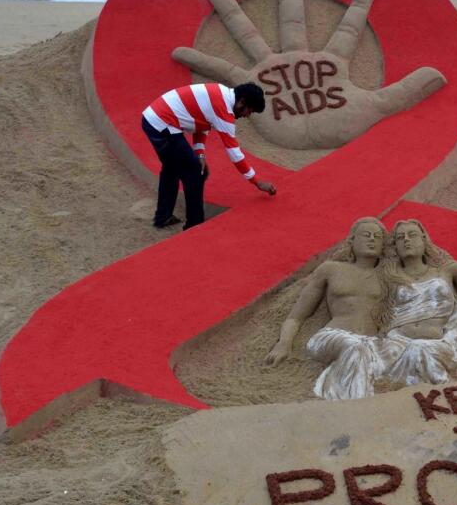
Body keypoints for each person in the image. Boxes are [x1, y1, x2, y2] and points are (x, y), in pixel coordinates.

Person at [263, 217, 389, 400]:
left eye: (377, 237)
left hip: (370, 342)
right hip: (332, 336)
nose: (372, 239)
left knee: (362, 350)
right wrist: (284, 343)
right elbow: (296, 316)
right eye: (366, 235)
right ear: (352, 240)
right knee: (355, 348)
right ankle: (354, 406)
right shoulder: (331, 269)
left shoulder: (389, 276)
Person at [377, 219, 457, 387]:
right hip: (395, 343)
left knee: (419, 349)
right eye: (400, 238)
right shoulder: (387, 277)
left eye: (412, 235)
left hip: (437, 343)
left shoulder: (450, 270)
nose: (406, 240)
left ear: (424, 239)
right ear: (395, 246)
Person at [140, 81, 275, 230]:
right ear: (241, 102)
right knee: (196, 171)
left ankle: (163, 216)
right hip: (162, 124)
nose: (247, 115)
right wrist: (257, 182)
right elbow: (234, 153)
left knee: (172, 168)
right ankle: (194, 225)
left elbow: (203, 123)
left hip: (155, 120)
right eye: (249, 110)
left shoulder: (222, 94)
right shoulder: (224, 111)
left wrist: (200, 153)